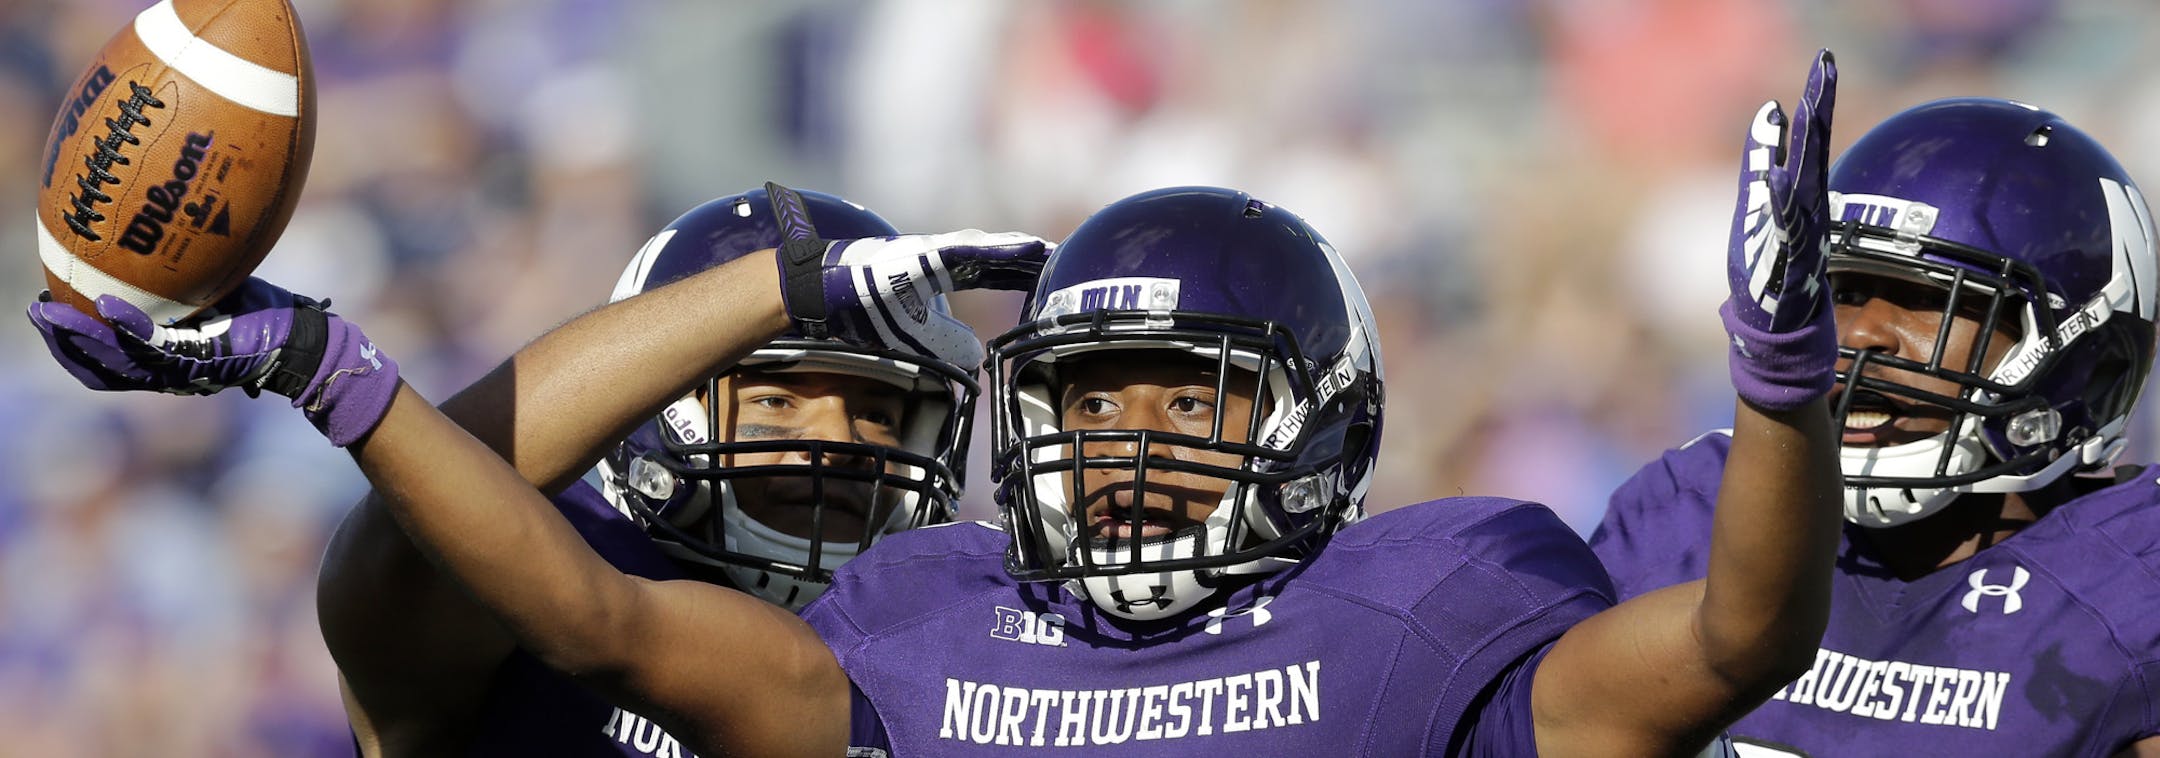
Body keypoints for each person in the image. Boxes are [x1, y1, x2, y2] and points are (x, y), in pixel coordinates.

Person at [31, 54, 1844, 757]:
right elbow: (536, 581)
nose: (827, 440)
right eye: (782, 391)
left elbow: (1744, 636)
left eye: (861, 400)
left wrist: (1782, 384)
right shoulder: (886, 636)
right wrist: (323, 367)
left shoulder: (1420, 606)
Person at [1590, 98, 2160, 757]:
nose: (1857, 336)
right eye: (1845, 291)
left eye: (1927, 301)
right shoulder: (1690, 515)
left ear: (2087, 368)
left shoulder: (2131, 583)